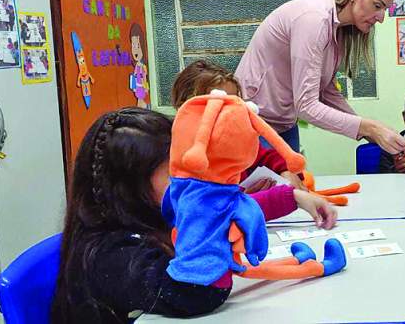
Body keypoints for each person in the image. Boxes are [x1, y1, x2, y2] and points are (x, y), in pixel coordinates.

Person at [51, 108, 337, 323]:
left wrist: (293, 197)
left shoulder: (147, 214)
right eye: (176, 173)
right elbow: (195, 294)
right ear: (129, 188)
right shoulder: (113, 254)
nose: (192, 180)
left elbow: (219, 214)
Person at [234, 0, 405, 155]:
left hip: (284, 123)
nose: (381, 17)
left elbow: (326, 90)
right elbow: (306, 106)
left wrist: (372, 133)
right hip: (253, 122)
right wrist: (368, 127)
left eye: (385, 9)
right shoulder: (313, 20)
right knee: (278, 184)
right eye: (377, 6)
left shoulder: (338, 28)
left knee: (295, 183)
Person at [172, 59, 308, 192]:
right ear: (185, 106)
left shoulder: (233, 140)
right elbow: (201, 205)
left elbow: (265, 156)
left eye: (235, 103)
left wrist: (286, 171)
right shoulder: (175, 153)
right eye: (220, 105)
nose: (231, 112)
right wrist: (243, 197)